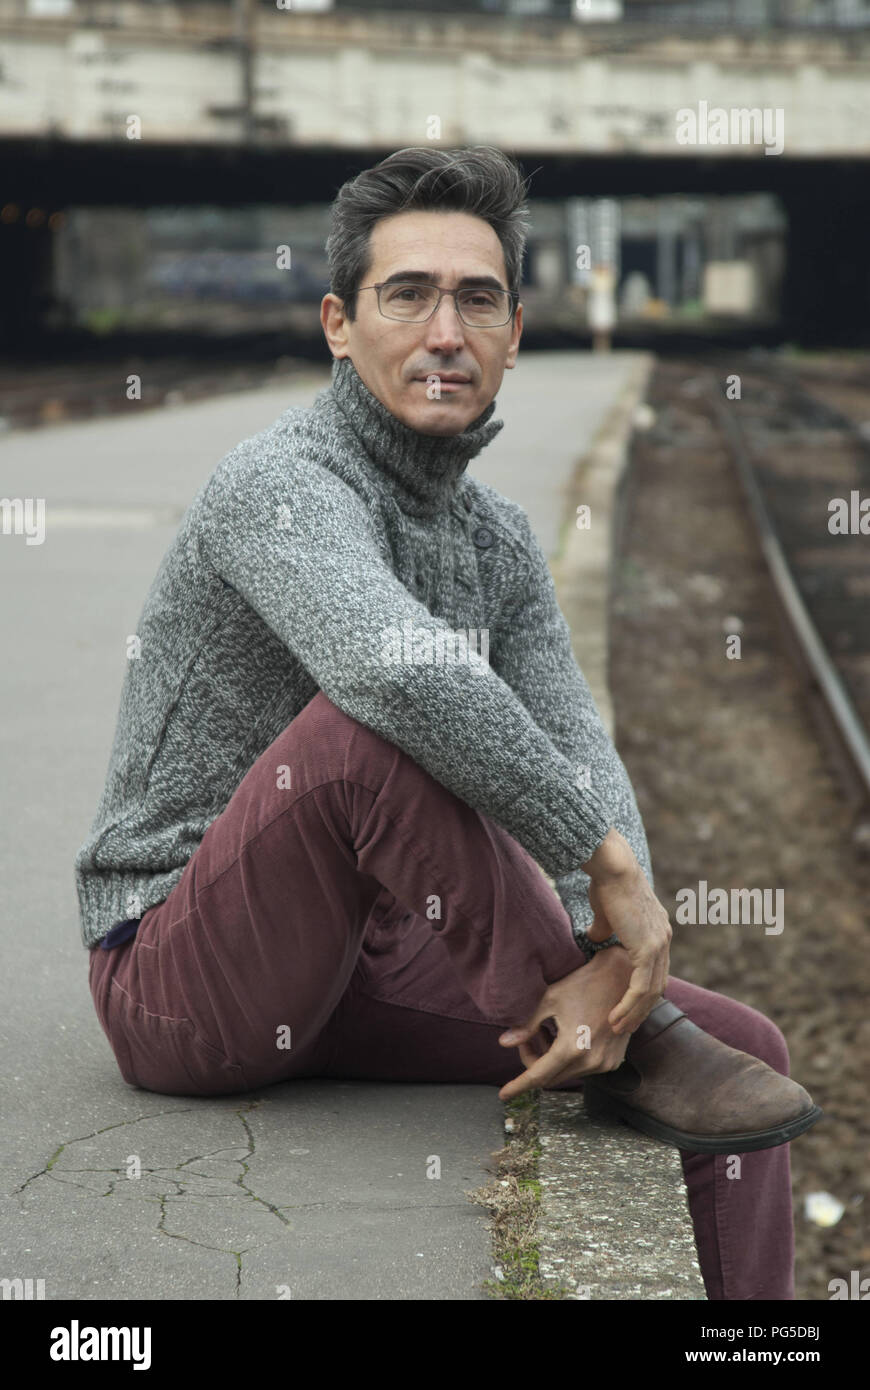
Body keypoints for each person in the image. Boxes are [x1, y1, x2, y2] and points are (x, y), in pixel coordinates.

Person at [77, 145, 820, 1301]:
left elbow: (577, 740)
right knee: (365, 730)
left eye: (477, 299)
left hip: (361, 972)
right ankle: (638, 1046)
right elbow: (398, 672)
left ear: (516, 332)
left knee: (752, 1057)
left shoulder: (498, 542)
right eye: (407, 294)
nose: (445, 330)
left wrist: (612, 953)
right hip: (182, 975)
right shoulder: (279, 484)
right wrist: (604, 862)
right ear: (338, 322)